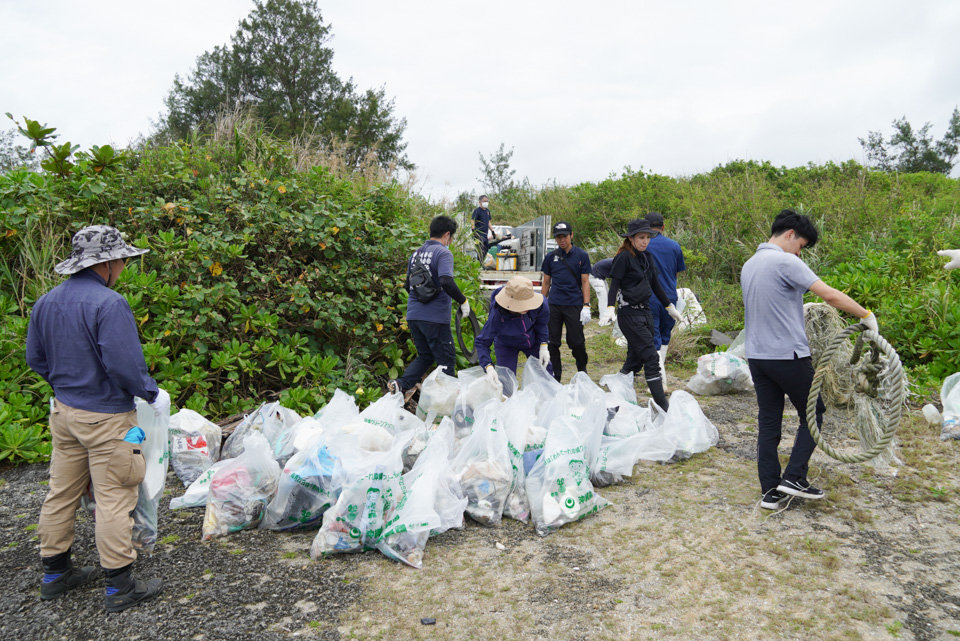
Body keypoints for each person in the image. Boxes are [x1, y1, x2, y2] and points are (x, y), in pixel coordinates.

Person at [25, 225, 165, 612]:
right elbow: (124, 366)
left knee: (61, 493)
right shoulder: (109, 303)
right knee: (115, 496)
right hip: (106, 418)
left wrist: (68, 384)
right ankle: (119, 587)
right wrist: (152, 393)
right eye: (122, 259)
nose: (124, 266)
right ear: (106, 263)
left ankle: (55, 575)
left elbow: (36, 359)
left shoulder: (46, 302)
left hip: (64, 413)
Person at [741, 209, 878, 510]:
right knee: (813, 412)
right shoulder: (785, 260)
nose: (800, 252)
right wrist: (866, 316)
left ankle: (769, 492)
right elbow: (830, 295)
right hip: (786, 355)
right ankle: (794, 477)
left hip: (757, 355)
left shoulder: (750, 264)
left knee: (769, 419)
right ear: (790, 234)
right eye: (802, 245)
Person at [604, 218, 683, 411]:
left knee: (635, 359)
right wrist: (609, 307)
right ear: (631, 238)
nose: (645, 241)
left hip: (645, 310)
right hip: (629, 313)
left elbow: (655, 284)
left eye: (647, 237)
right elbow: (615, 283)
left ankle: (614, 400)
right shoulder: (623, 257)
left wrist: (669, 307)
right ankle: (663, 405)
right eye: (641, 237)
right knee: (650, 356)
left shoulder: (647, 257)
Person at [389, 215, 469, 395]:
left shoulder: (415, 253)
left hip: (414, 316)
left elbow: (409, 286)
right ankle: (446, 410)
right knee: (447, 361)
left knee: (425, 356)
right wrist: (463, 301)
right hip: (435, 318)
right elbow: (446, 281)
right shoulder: (443, 253)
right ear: (447, 235)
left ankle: (400, 385)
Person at [540, 221, 592, 382]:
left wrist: (586, 305)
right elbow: (546, 283)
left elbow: (585, 282)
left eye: (564, 236)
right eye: (558, 237)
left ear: (571, 235)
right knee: (552, 343)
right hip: (554, 304)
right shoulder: (550, 257)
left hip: (574, 304)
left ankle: (582, 372)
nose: (562, 240)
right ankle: (556, 376)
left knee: (576, 342)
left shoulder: (581, 255)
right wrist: (541, 304)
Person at [475, 276, 551, 380]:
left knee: (546, 374)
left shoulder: (541, 305)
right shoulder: (497, 315)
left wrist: (543, 345)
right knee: (506, 381)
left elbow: (541, 324)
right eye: (523, 305)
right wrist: (488, 367)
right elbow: (482, 342)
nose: (527, 308)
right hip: (505, 344)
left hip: (532, 340)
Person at [643, 212, 687, 390]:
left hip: (650, 296)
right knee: (664, 338)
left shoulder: (642, 246)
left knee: (653, 338)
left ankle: (659, 381)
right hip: (670, 296)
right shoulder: (674, 246)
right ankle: (660, 379)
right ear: (663, 227)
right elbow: (676, 274)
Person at [471, 195, 492, 261]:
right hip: (478, 234)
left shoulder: (487, 211)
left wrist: (492, 231)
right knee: (480, 249)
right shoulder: (477, 211)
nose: (486, 202)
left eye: (487, 201)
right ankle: (478, 264)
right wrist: (473, 228)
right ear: (480, 202)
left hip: (485, 234)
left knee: (486, 249)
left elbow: (489, 222)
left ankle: (481, 262)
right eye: (484, 201)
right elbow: (472, 220)